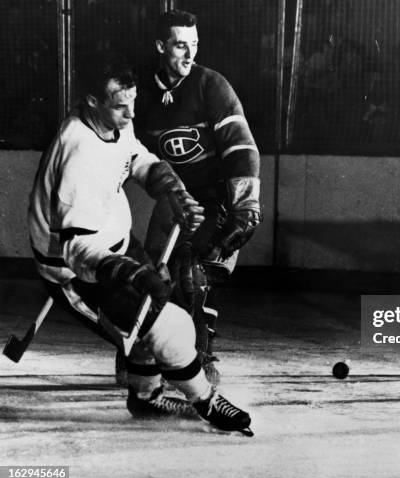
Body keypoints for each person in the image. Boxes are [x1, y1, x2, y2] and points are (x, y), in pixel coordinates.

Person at [27, 56, 253, 436]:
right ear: (92, 101)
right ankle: (206, 400)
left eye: (133, 102)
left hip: (113, 244)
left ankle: (145, 399)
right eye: (120, 105)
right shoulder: (78, 157)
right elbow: (77, 250)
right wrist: (130, 271)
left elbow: (134, 156)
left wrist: (172, 187)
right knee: (167, 325)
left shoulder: (108, 120)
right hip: (75, 269)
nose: (131, 113)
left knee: (158, 311)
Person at [135, 9, 262, 383]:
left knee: (193, 275)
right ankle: (147, 357)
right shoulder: (141, 92)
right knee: (152, 275)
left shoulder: (212, 85)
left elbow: (241, 147)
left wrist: (246, 205)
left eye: (194, 45)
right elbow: (127, 150)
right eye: (179, 45)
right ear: (161, 46)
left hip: (215, 200)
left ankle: (200, 360)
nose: (189, 54)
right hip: (173, 200)